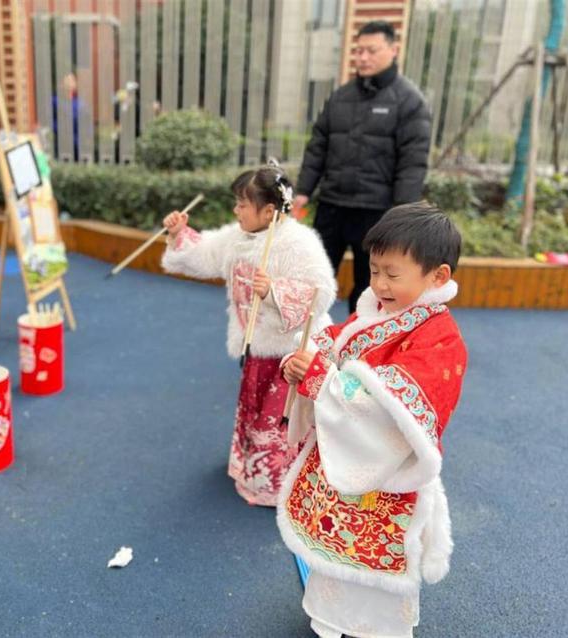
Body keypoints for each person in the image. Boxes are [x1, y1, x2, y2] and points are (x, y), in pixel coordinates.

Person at [276, 202, 467, 638]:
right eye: (374, 269)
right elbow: (335, 344)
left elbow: (391, 405)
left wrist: (322, 378)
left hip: (388, 474)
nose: (378, 283)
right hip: (352, 462)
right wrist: (304, 361)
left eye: (392, 274)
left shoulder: (440, 338)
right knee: (336, 554)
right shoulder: (377, 311)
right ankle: (329, 619)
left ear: (438, 276)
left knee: (375, 566)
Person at [161, 165, 336, 506]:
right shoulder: (237, 238)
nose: (236, 211)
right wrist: (179, 234)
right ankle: (255, 471)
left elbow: (322, 291)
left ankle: (278, 484)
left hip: (289, 353)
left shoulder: (298, 243)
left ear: (269, 210)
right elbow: (202, 255)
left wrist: (274, 291)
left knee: (280, 419)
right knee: (257, 413)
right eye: (237, 203)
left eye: (242, 204)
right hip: (256, 347)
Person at [292, 20, 432, 313]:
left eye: (371, 50)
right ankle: (303, 347)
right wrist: (304, 189)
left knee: (368, 290)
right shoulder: (341, 97)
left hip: (375, 214)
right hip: (331, 207)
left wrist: (402, 217)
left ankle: (356, 351)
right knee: (312, 280)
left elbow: (412, 164)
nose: (363, 58)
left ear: (393, 50)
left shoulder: (409, 101)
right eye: (358, 51)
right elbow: (318, 145)